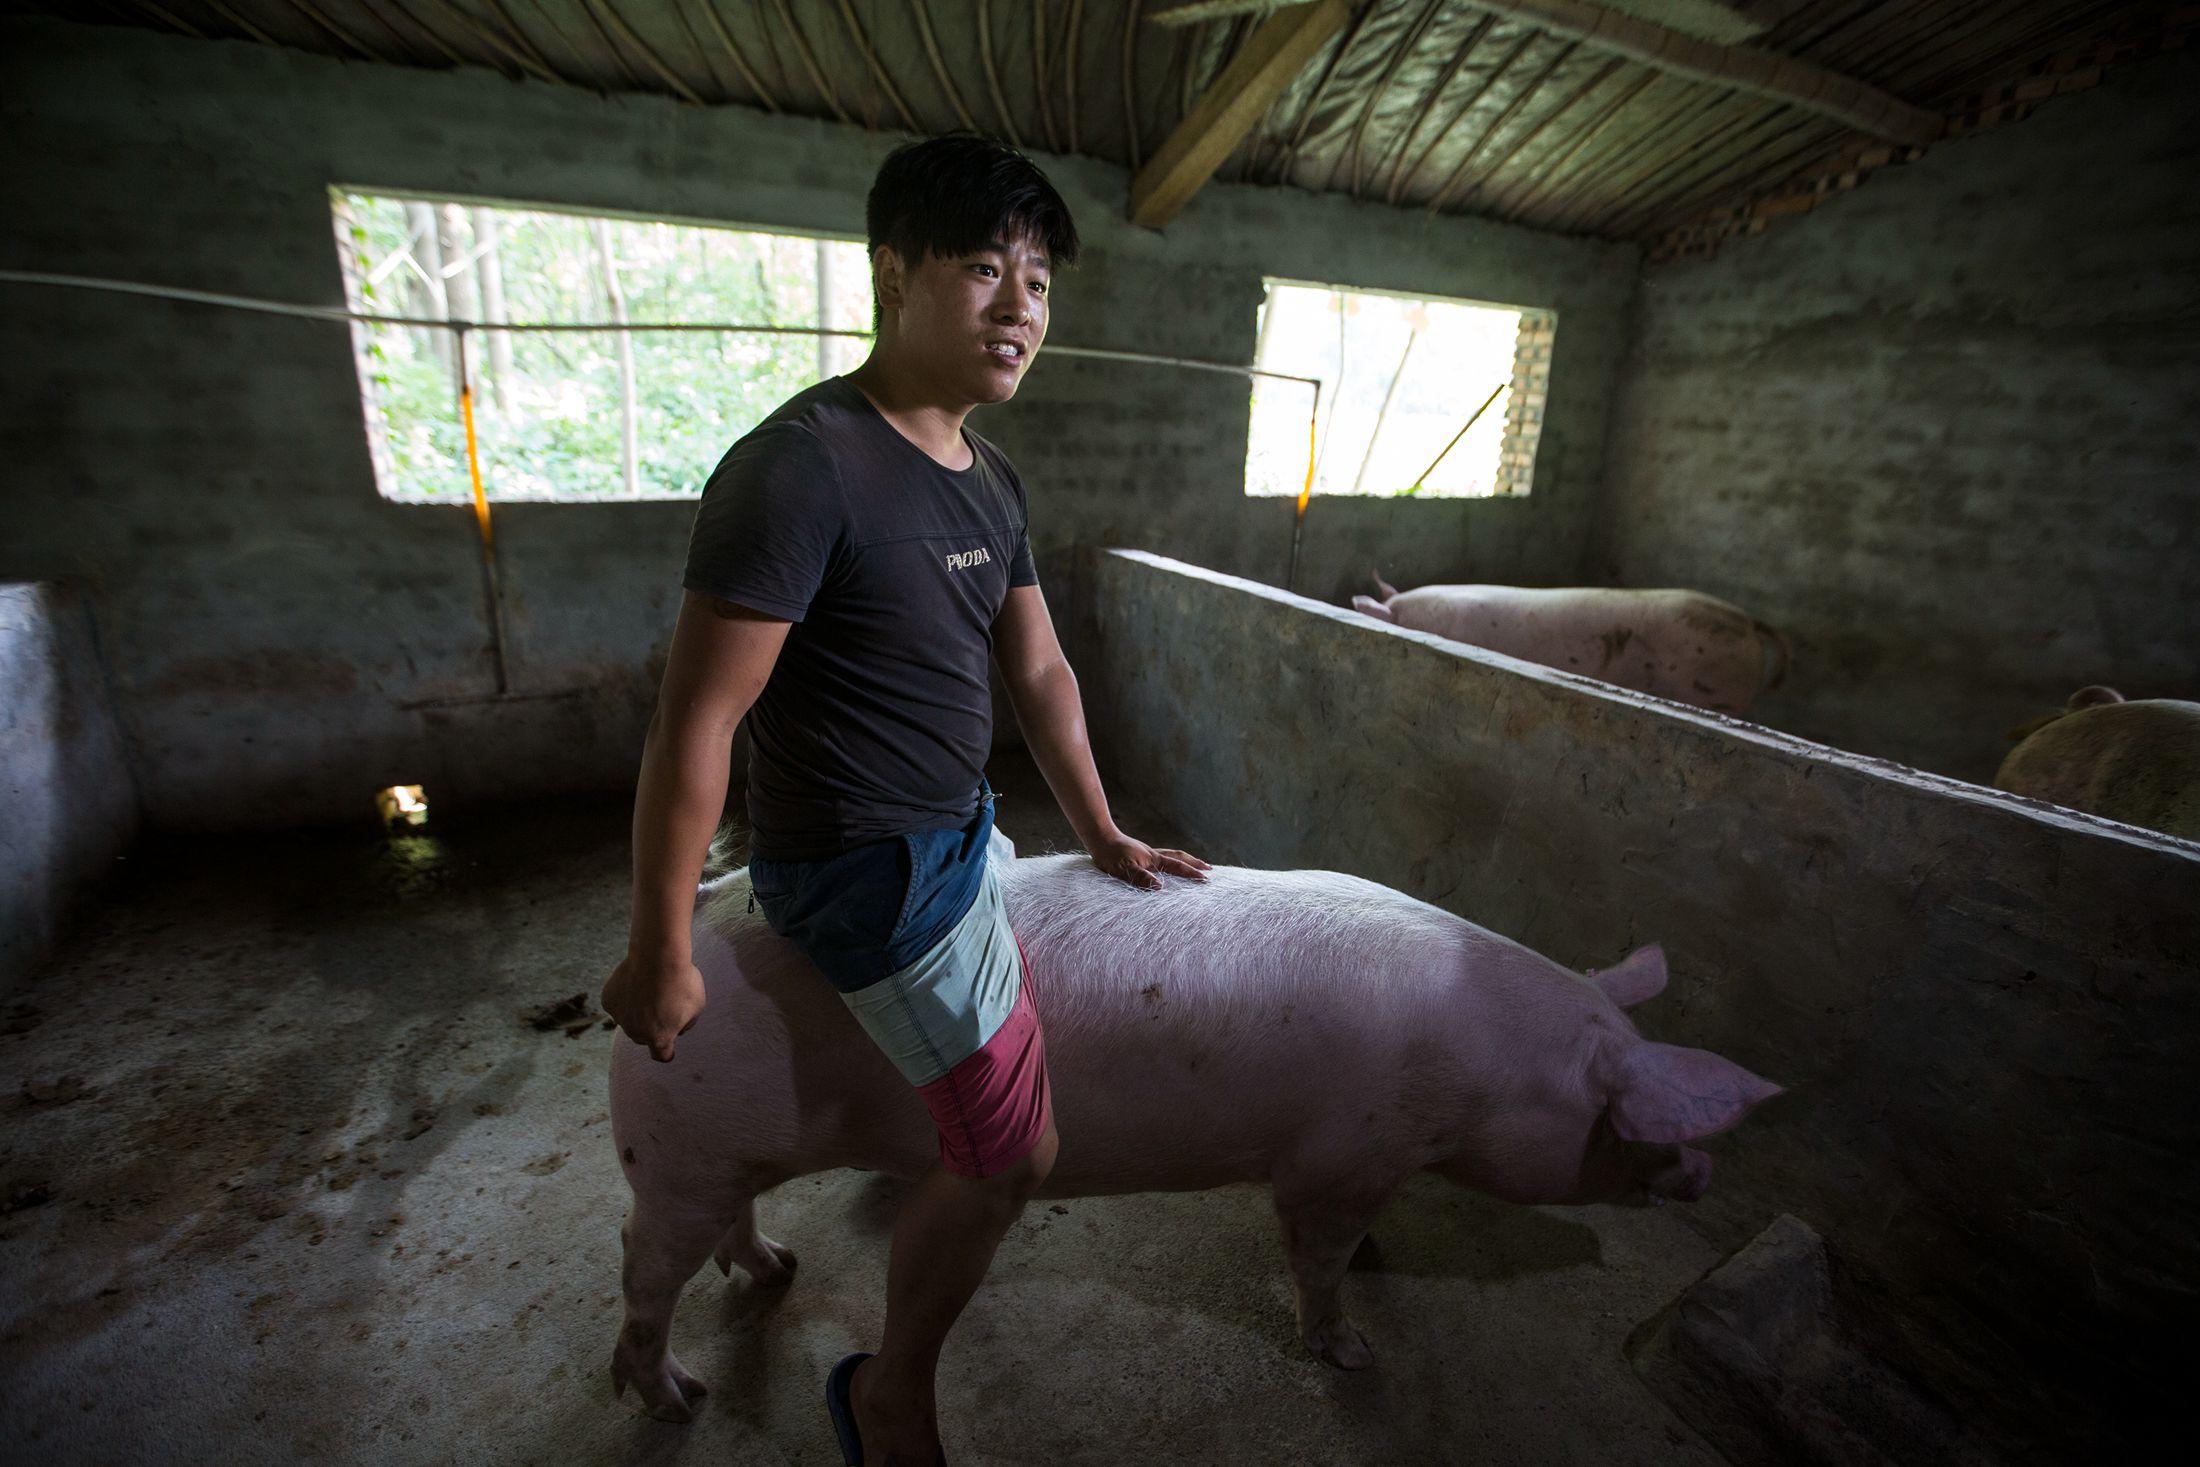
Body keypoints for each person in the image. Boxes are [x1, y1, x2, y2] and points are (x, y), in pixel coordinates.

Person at [601, 134, 1208, 1466]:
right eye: (986, 269)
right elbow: (700, 716)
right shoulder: (803, 465)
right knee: (1016, 1157)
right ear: (894, 274)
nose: (1021, 309)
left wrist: (1099, 827)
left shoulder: (988, 478)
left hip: (960, 832)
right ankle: (890, 1397)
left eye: (1040, 282)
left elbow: (1038, 665)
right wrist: (658, 949)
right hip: (868, 870)